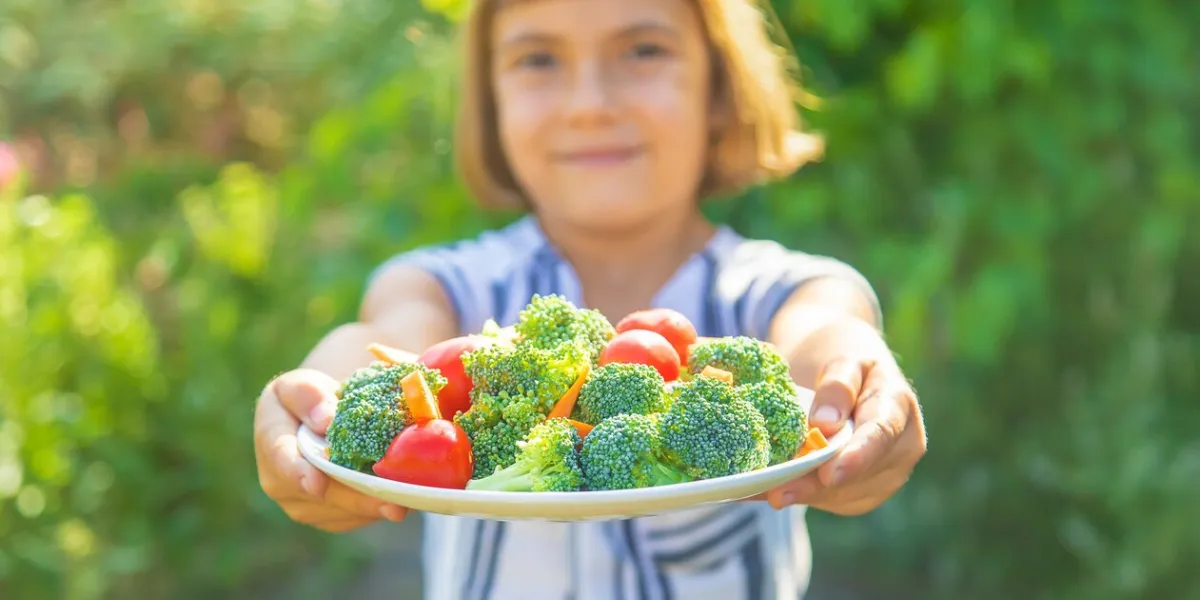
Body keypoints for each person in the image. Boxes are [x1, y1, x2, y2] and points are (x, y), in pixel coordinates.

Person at [253, 0, 927, 598]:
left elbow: (826, 327)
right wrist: (320, 398)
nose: (590, 103)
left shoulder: (769, 288)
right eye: (539, 58)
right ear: (491, 97)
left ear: (720, 86)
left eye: (643, 49)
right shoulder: (446, 284)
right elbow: (386, 336)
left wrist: (854, 369)